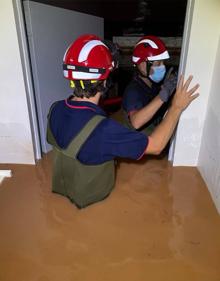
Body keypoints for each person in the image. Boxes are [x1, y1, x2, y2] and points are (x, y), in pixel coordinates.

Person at [47, 34, 199, 209]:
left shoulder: (55, 109)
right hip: (95, 200)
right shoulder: (104, 129)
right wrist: (177, 107)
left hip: (63, 189)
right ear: (106, 80)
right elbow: (156, 146)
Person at [122, 35, 178, 134]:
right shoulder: (133, 91)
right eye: (158, 64)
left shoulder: (152, 84)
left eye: (163, 63)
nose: (162, 67)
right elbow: (136, 122)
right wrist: (162, 95)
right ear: (143, 65)